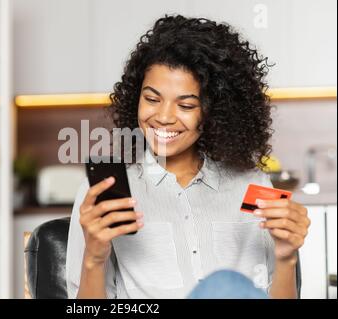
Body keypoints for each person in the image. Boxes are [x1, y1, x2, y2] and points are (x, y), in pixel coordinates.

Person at [66, 15, 310, 299]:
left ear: (213, 111)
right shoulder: (105, 194)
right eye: (152, 99)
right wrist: (94, 259)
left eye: (186, 104)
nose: (164, 117)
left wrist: (286, 258)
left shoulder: (255, 185)